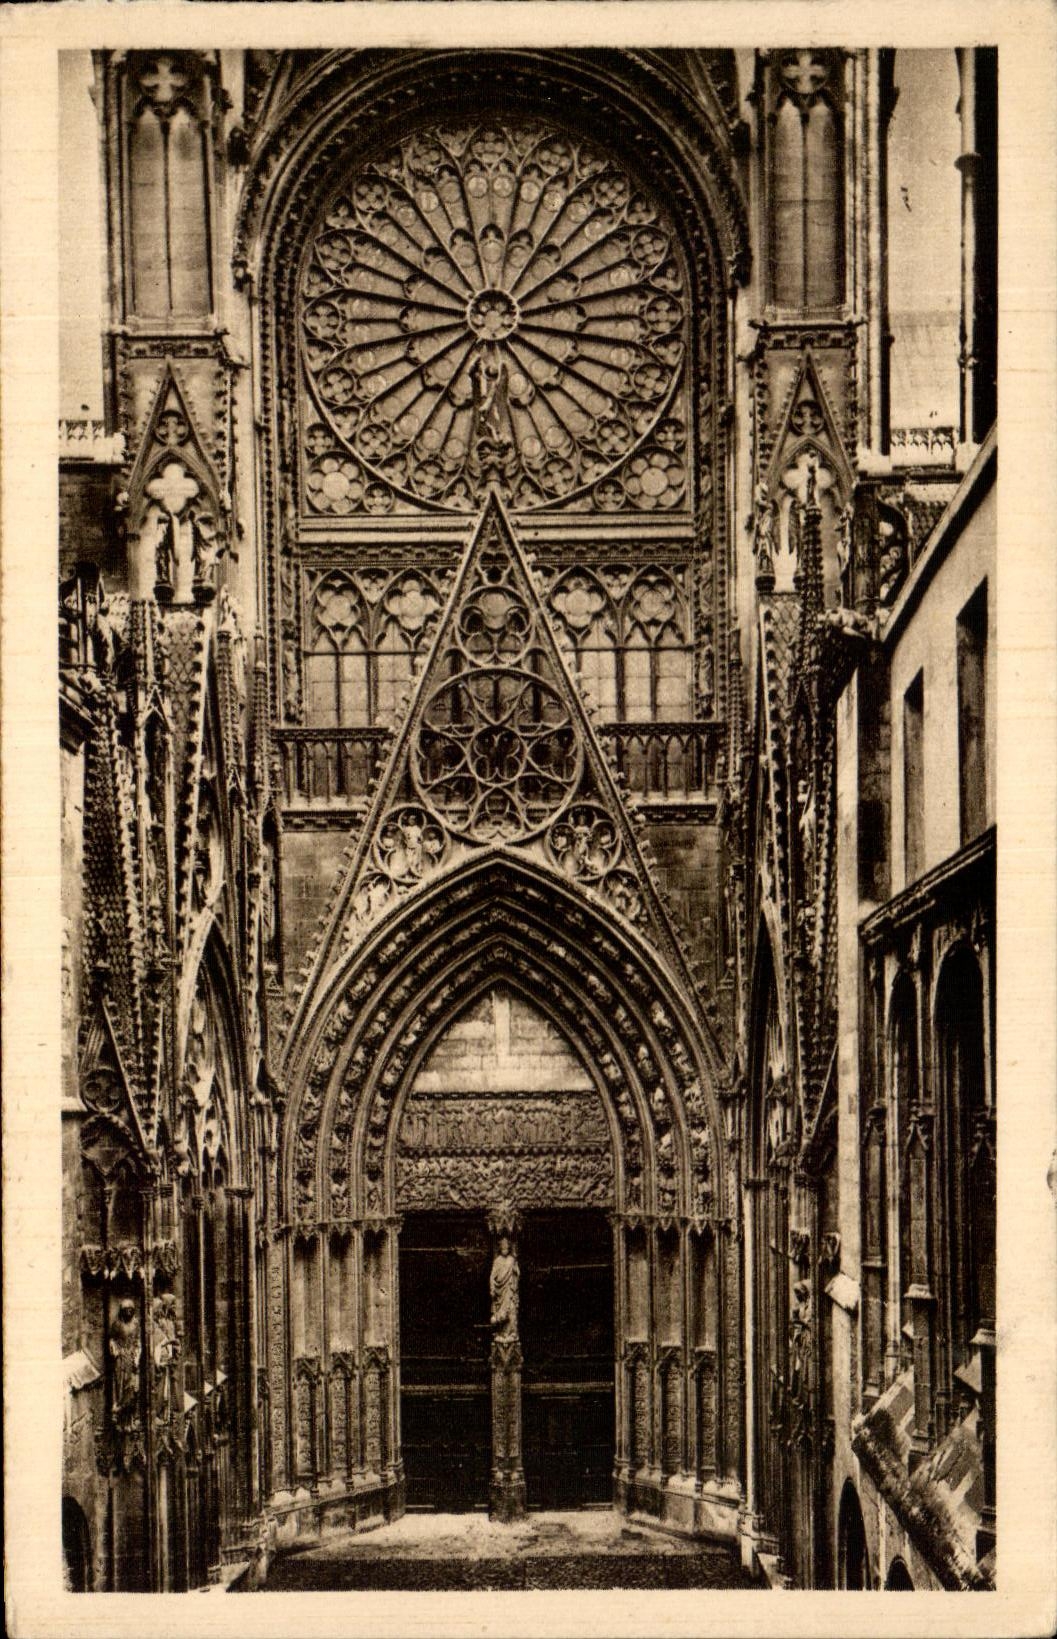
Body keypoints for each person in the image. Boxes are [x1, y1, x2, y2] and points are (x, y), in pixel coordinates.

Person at [489, 1234, 519, 1339]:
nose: (505, 1249)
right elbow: (492, 1276)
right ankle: (501, 1333)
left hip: (509, 1289)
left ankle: (511, 1332)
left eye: (506, 1247)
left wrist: (515, 1271)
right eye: (503, 1247)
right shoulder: (497, 1261)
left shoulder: (512, 1260)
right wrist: (492, 1288)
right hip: (499, 1292)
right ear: (500, 1247)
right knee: (500, 1312)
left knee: (511, 1310)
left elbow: (517, 1273)